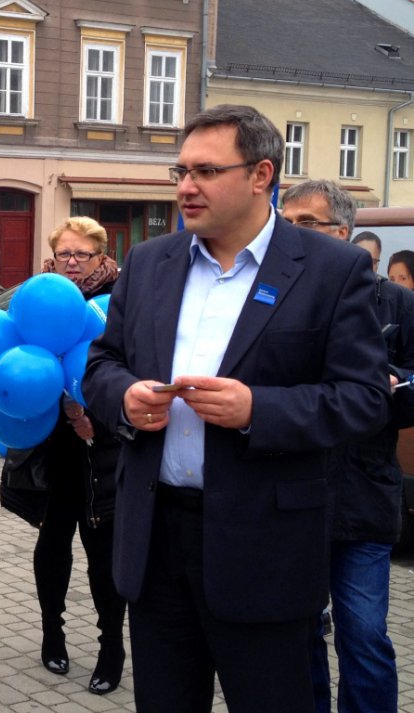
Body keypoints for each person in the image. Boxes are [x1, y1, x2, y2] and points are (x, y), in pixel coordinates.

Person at [82, 104, 390, 713]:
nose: (186, 187)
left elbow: (364, 398)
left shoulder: (331, 269)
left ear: (261, 175)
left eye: (205, 171)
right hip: (156, 541)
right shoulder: (150, 262)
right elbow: (101, 363)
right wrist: (126, 397)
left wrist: (258, 410)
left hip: (265, 549)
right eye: (181, 171)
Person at [280, 180, 414, 713]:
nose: (292, 235)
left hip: (364, 497)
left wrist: (390, 387)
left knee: (363, 636)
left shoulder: (397, 302)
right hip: (292, 498)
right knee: (301, 630)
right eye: (285, 224)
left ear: (341, 232)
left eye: (305, 224)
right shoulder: (275, 297)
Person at [32, 217, 127, 694]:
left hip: (103, 449)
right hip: (53, 445)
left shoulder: (118, 300)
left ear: (100, 257)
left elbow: (133, 373)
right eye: (64, 254)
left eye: (81, 255)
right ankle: (53, 635)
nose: (71, 263)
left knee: (103, 556)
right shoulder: (40, 295)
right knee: (52, 545)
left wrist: (100, 424)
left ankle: (112, 648)